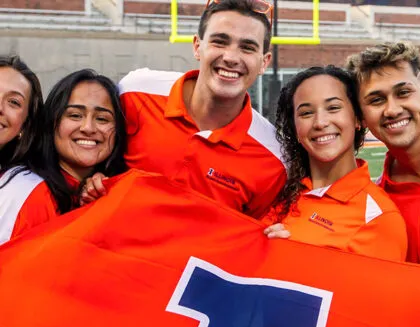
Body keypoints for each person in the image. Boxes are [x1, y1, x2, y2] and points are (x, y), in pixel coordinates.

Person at [82, 0, 286, 220]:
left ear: (264, 62)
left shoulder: (273, 158)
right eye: (220, 42)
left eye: (247, 47)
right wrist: (90, 180)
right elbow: (86, 156)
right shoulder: (135, 92)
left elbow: (255, 238)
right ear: (198, 46)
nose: (230, 58)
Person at [264, 66, 407, 261]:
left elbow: (376, 291)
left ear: (357, 119)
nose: (320, 122)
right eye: (306, 113)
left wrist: (292, 260)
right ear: (295, 129)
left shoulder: (378, 217)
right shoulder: (277, 189)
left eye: (333, 108)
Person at [0, 69, 127, 243]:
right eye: (75, 115)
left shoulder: (115, 191)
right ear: (52, 123)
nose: (88, 128)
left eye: (102, 119)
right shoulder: (26, 192)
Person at [346, 41, 420, 264]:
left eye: (403, 92)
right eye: (376, 100)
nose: (392, 110)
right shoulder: (374, 207)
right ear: (362, 117)